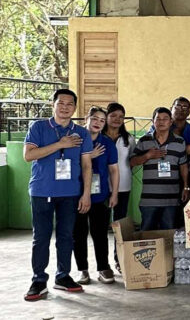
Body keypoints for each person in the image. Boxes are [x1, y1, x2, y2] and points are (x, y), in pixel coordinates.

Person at [23, 89, 93, 301]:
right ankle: (38, 280)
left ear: (75, 108)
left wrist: (86, 194)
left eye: (70, 104)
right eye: (60, 103)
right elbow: (28, 155)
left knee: (66, 237)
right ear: (52, 105)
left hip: (70, 193)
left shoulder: (81, 133)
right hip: (42, 191)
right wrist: (60, 144)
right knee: (41, 237)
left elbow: (87, 165)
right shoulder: (38, 127)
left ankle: (63, 276)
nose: (65, 107)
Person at [74, 106, 119, 285]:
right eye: (95, 119)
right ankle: (82, 269)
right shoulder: (76, 139)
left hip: (100, 196)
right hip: (76, 194)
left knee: (100, 234)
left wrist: (114, 193)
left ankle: (103, 267)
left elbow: (114, 170)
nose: (98, 123)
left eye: (102, 120)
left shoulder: (107, 143)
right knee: (78, 233)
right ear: (87, 118)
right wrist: (88, 156)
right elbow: (66, 163)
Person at [130, 107, 190, 231]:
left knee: (169, 234)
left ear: (171, 122)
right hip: (149, 200)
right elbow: (132, 162)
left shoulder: (179, 142)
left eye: (165, 119)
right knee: (147, 234)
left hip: (171, 200)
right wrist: (147, 156)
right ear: (153, 121)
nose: (161, 122)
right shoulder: (144, 140)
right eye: (158, 119)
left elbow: (183, 166)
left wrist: (185, 187)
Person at [103, 102, 135, 273]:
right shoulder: (98, 136)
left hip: (123, 186)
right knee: (101, 225)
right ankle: (103, 264)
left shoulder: (128, 139)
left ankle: (119, 260)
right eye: (113, 115)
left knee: (119, 225)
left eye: (121, 117)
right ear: (106, 117)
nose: (117, 119)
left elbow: (132, 160)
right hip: (101, 187)